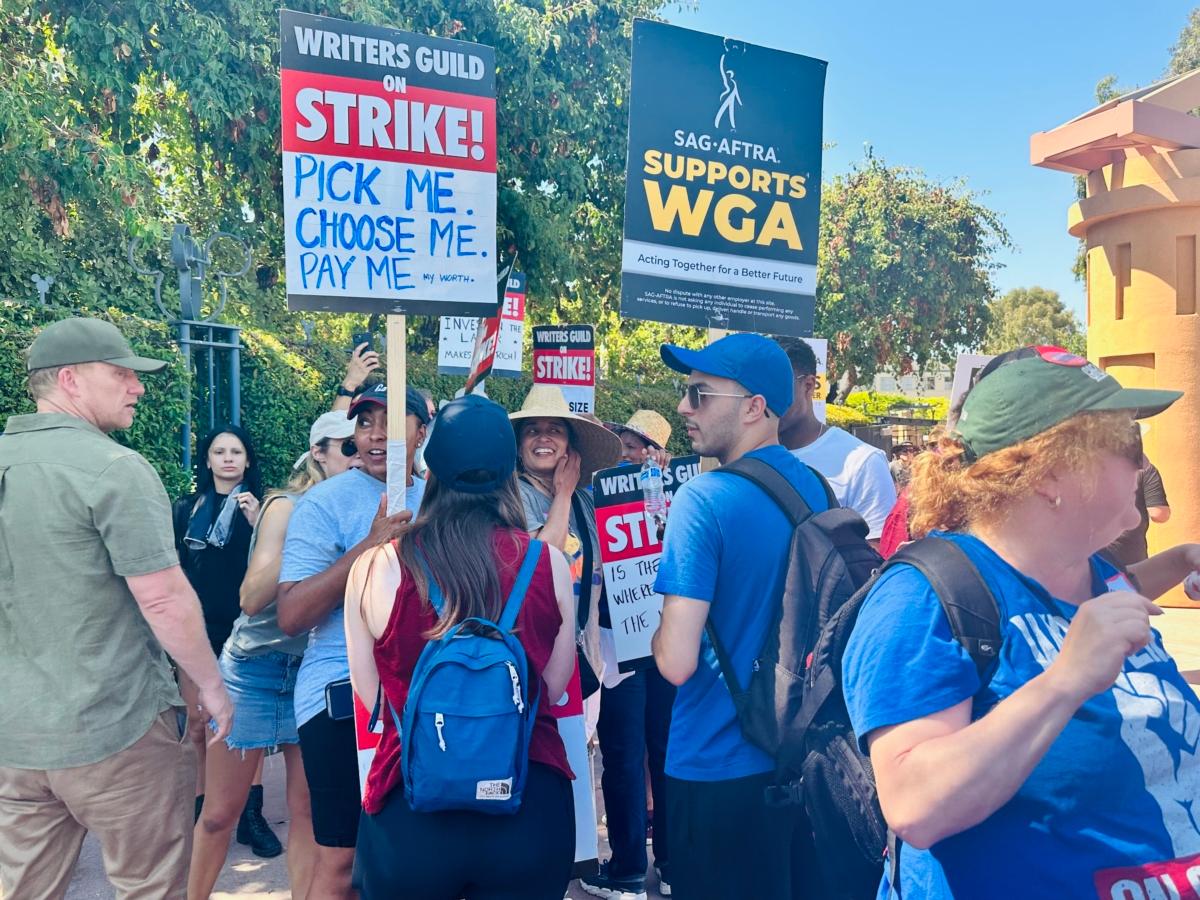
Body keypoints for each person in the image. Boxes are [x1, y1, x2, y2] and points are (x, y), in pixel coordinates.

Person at [842, 346, 1200, 897]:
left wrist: (1181, 562)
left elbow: (1097, 603)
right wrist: (1063, 682)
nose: (1144, 465)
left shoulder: (1089, 571)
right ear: (1051, 473)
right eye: (1129, 444)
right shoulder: (921, 599)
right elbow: (914, 805)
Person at [0, 317, 232, 899]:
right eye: (122, 373)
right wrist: (212, 686)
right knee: (148, 887)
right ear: (71, 380)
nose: (138, 387)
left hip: (15, 735)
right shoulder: (114, 468)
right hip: (117, 726)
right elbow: (161, 595)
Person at [344, 394, 579, 899]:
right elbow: (555, 688)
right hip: (527, 799)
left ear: (431, 469)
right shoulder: (547, 563)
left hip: (411, 807)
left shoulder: (375, 566)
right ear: (508, 470)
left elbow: (371, 697)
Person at [650, 333, 831, 900]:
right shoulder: (817, 489)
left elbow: (677, 663)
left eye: (700, 393)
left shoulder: (703, 499)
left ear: (755, 407)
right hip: (799, 762)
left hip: (713, 765)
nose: (684, 407)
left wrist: (657, 629)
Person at [187, 411, 360, 900]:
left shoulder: (363, 506)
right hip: (255, 670)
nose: (357, 456)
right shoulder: (286, 506)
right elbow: (250, 597)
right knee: (220, 813)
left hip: (313, 672)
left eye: (362, 447)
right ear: (318, 453)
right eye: (345, 447)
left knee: (307, 812)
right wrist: (311, 536)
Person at [275, 384, 426, 898]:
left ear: (422, 432)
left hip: (429, 697)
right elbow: (291, 614)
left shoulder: (448, 502)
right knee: (343, 862)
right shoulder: (322, 503)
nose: (377, 433)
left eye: (392, 419)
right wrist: (370, 545)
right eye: (365, 422)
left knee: (420, 855)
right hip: (343, 699)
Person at [582, 409, 677, 900]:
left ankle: (671, 861)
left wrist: (660, 494)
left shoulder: (676, 500)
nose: (628, 451)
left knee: (662, 753)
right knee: (622, 754)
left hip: (661, 640)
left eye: (640, 446)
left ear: (658, 454)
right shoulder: (596, 496)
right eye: (623, 440)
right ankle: (627, 870)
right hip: (618, 645)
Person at [509, 384, 622, 693]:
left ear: (570, 446)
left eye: (555, 430)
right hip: (535, 662)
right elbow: (543, 562)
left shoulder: (584, 503)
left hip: (586, 661)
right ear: (519, 447)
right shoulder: (513, 497)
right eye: (532, 430)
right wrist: (563, 493)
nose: (543, 438)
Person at [776, 336, 896, 545]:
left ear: (809, 385)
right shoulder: (745, 457)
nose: (767, 396)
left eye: (778, 384)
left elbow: (875, 560)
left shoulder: (863, 462)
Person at [1106, 425, 1171, 567]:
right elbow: (1159, 514)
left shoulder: (1096, 469)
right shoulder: (1147, 471)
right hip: (1133, 558)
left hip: (1095, 560)